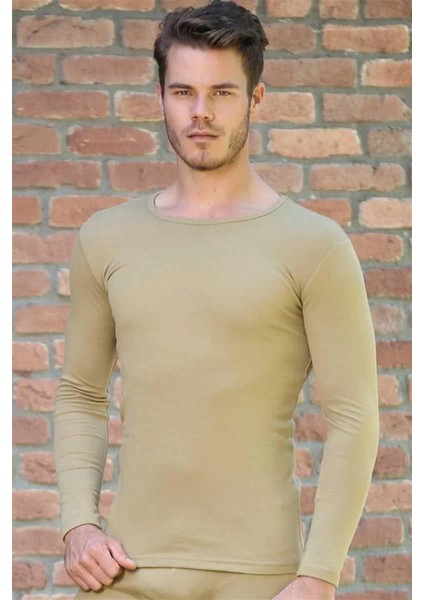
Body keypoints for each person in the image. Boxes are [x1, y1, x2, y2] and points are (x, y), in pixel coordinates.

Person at [53, 1, 380, 598]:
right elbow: (81, 392)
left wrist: (319, 575)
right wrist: (78, 524)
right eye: (183, 91)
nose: (200, 112)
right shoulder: (106, 238)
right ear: (160, 97)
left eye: (222, 92)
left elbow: (353, 416)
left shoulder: (315, 246)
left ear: (256, 99)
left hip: (263, 580)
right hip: (125, 574)